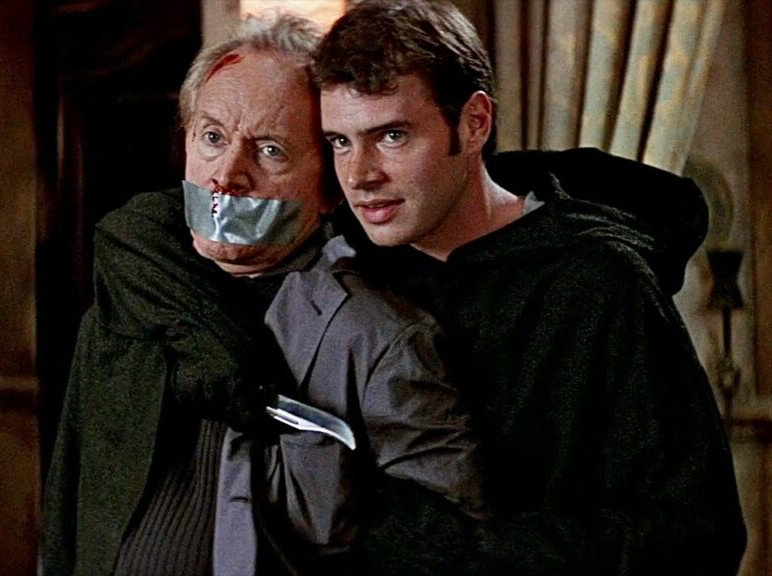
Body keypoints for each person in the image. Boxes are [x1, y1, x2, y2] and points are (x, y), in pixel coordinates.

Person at [314, 0, 747, 574]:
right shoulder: (347, 267)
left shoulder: (599, 282)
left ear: (474, 123)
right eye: (340, 142)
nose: (360, 175)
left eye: (391, 136)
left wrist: (455, 554)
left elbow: (698, 536)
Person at [40, 14, 482, 576]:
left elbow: (448, 549)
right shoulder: (131, 294)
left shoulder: (379, 338)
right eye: (212, 138)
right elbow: (71, 504)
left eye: (270, 150)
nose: (226, 177)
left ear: (329, 187)